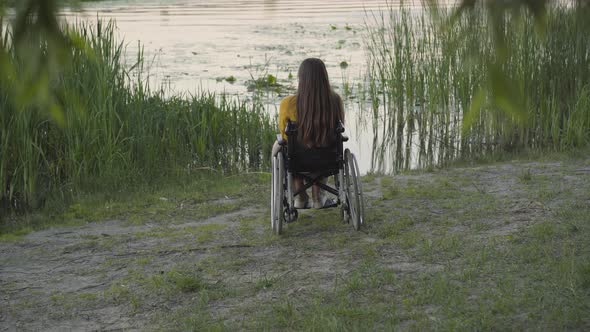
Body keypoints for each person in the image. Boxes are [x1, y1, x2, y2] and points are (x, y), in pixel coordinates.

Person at [275, 58, 344, 209]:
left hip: (298, 157)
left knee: (281, 147)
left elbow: (284, 134)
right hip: (327, 156)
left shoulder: (288, 103)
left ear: (301, 78)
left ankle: (300, 196)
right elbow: (340, 128)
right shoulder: (336, 100)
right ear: (324, 77)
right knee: (325, 144)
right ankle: (317, 197)